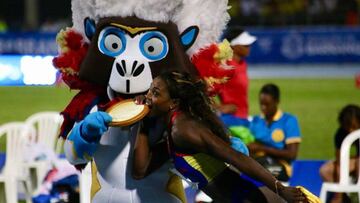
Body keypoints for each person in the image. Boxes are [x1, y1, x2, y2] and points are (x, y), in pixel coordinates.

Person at [132, 71, 309, 203]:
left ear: (174, 103)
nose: (148, 97)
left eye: (155, 93)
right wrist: (142, 120)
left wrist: (280, 189)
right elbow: (141, 169)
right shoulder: (174, 129)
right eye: (149, 90)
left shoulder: (184, 129)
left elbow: (236, 157)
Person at [248, 83, 301, 182]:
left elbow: (292, 154)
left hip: (280, 165)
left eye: (267, 104)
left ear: (277, 101)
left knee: (263, 171)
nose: (263, 108)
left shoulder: (289, 120)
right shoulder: (255, 121)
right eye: (261, 104)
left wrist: (261, 148)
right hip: (257, 162)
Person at [214, 30, 256, 128]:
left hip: (242, 118)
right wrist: (218, 108)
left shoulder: (243, 64)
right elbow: (204, 91)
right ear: (233, 46)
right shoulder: (225, 66)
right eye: (245, 45)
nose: (249, 48)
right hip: (230, 120)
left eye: (249, 45)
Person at [319, 104, 360, 203]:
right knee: (325, 170)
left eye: (354, 127)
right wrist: (339, 194)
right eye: (347, 127)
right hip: (355, 161)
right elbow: (340, 161)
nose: (350, 130)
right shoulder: (340, 134)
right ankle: (345, 197)